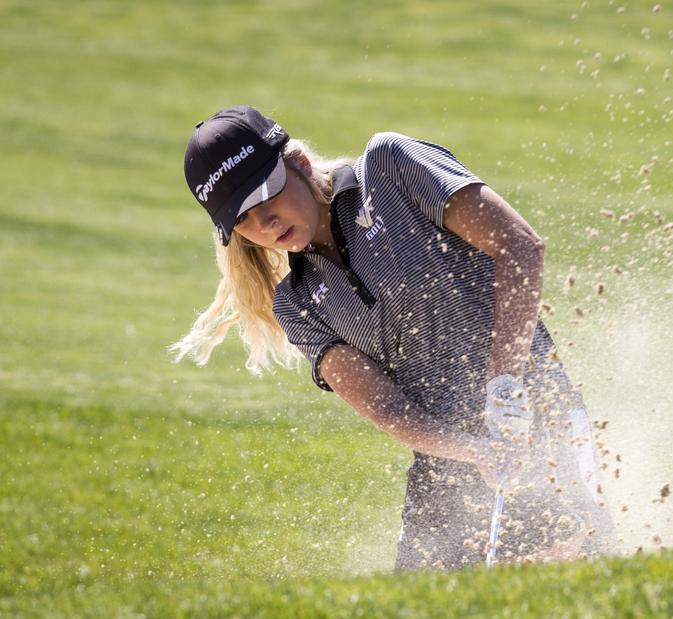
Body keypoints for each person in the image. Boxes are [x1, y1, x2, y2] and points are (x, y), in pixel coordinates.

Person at [173, 105, 617, 569]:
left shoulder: (390, 168)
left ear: (299, 164)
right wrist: (473, 450)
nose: (265, 222)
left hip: (534, 419)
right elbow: (387, 407)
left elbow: (519, 246)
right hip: (447, 462)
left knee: (570, 584)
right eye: (244, 218)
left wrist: (504, 385)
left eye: (268, 194)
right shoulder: (299, 304)